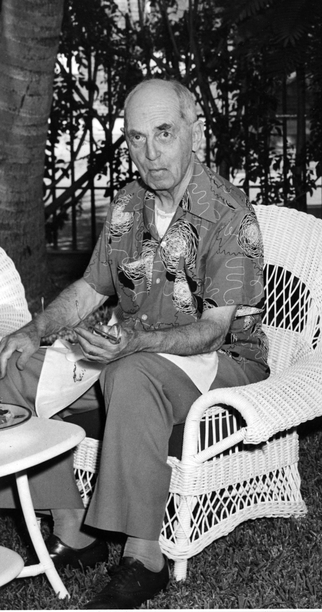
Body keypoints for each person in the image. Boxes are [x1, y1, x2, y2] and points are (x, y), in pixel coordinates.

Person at [0, 79, 269, 609]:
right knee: (14, 364)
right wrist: (33, 330)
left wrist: (134, 343)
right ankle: (73, 527)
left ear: (194, 127)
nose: (150, 153)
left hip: (223, 362)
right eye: (137, 138)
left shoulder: (231, 214)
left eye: (164, 133)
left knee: (132, 372)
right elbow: (89, 288)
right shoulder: (129, 201)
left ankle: (144, 556)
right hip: (133, 346)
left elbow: (215, 329)